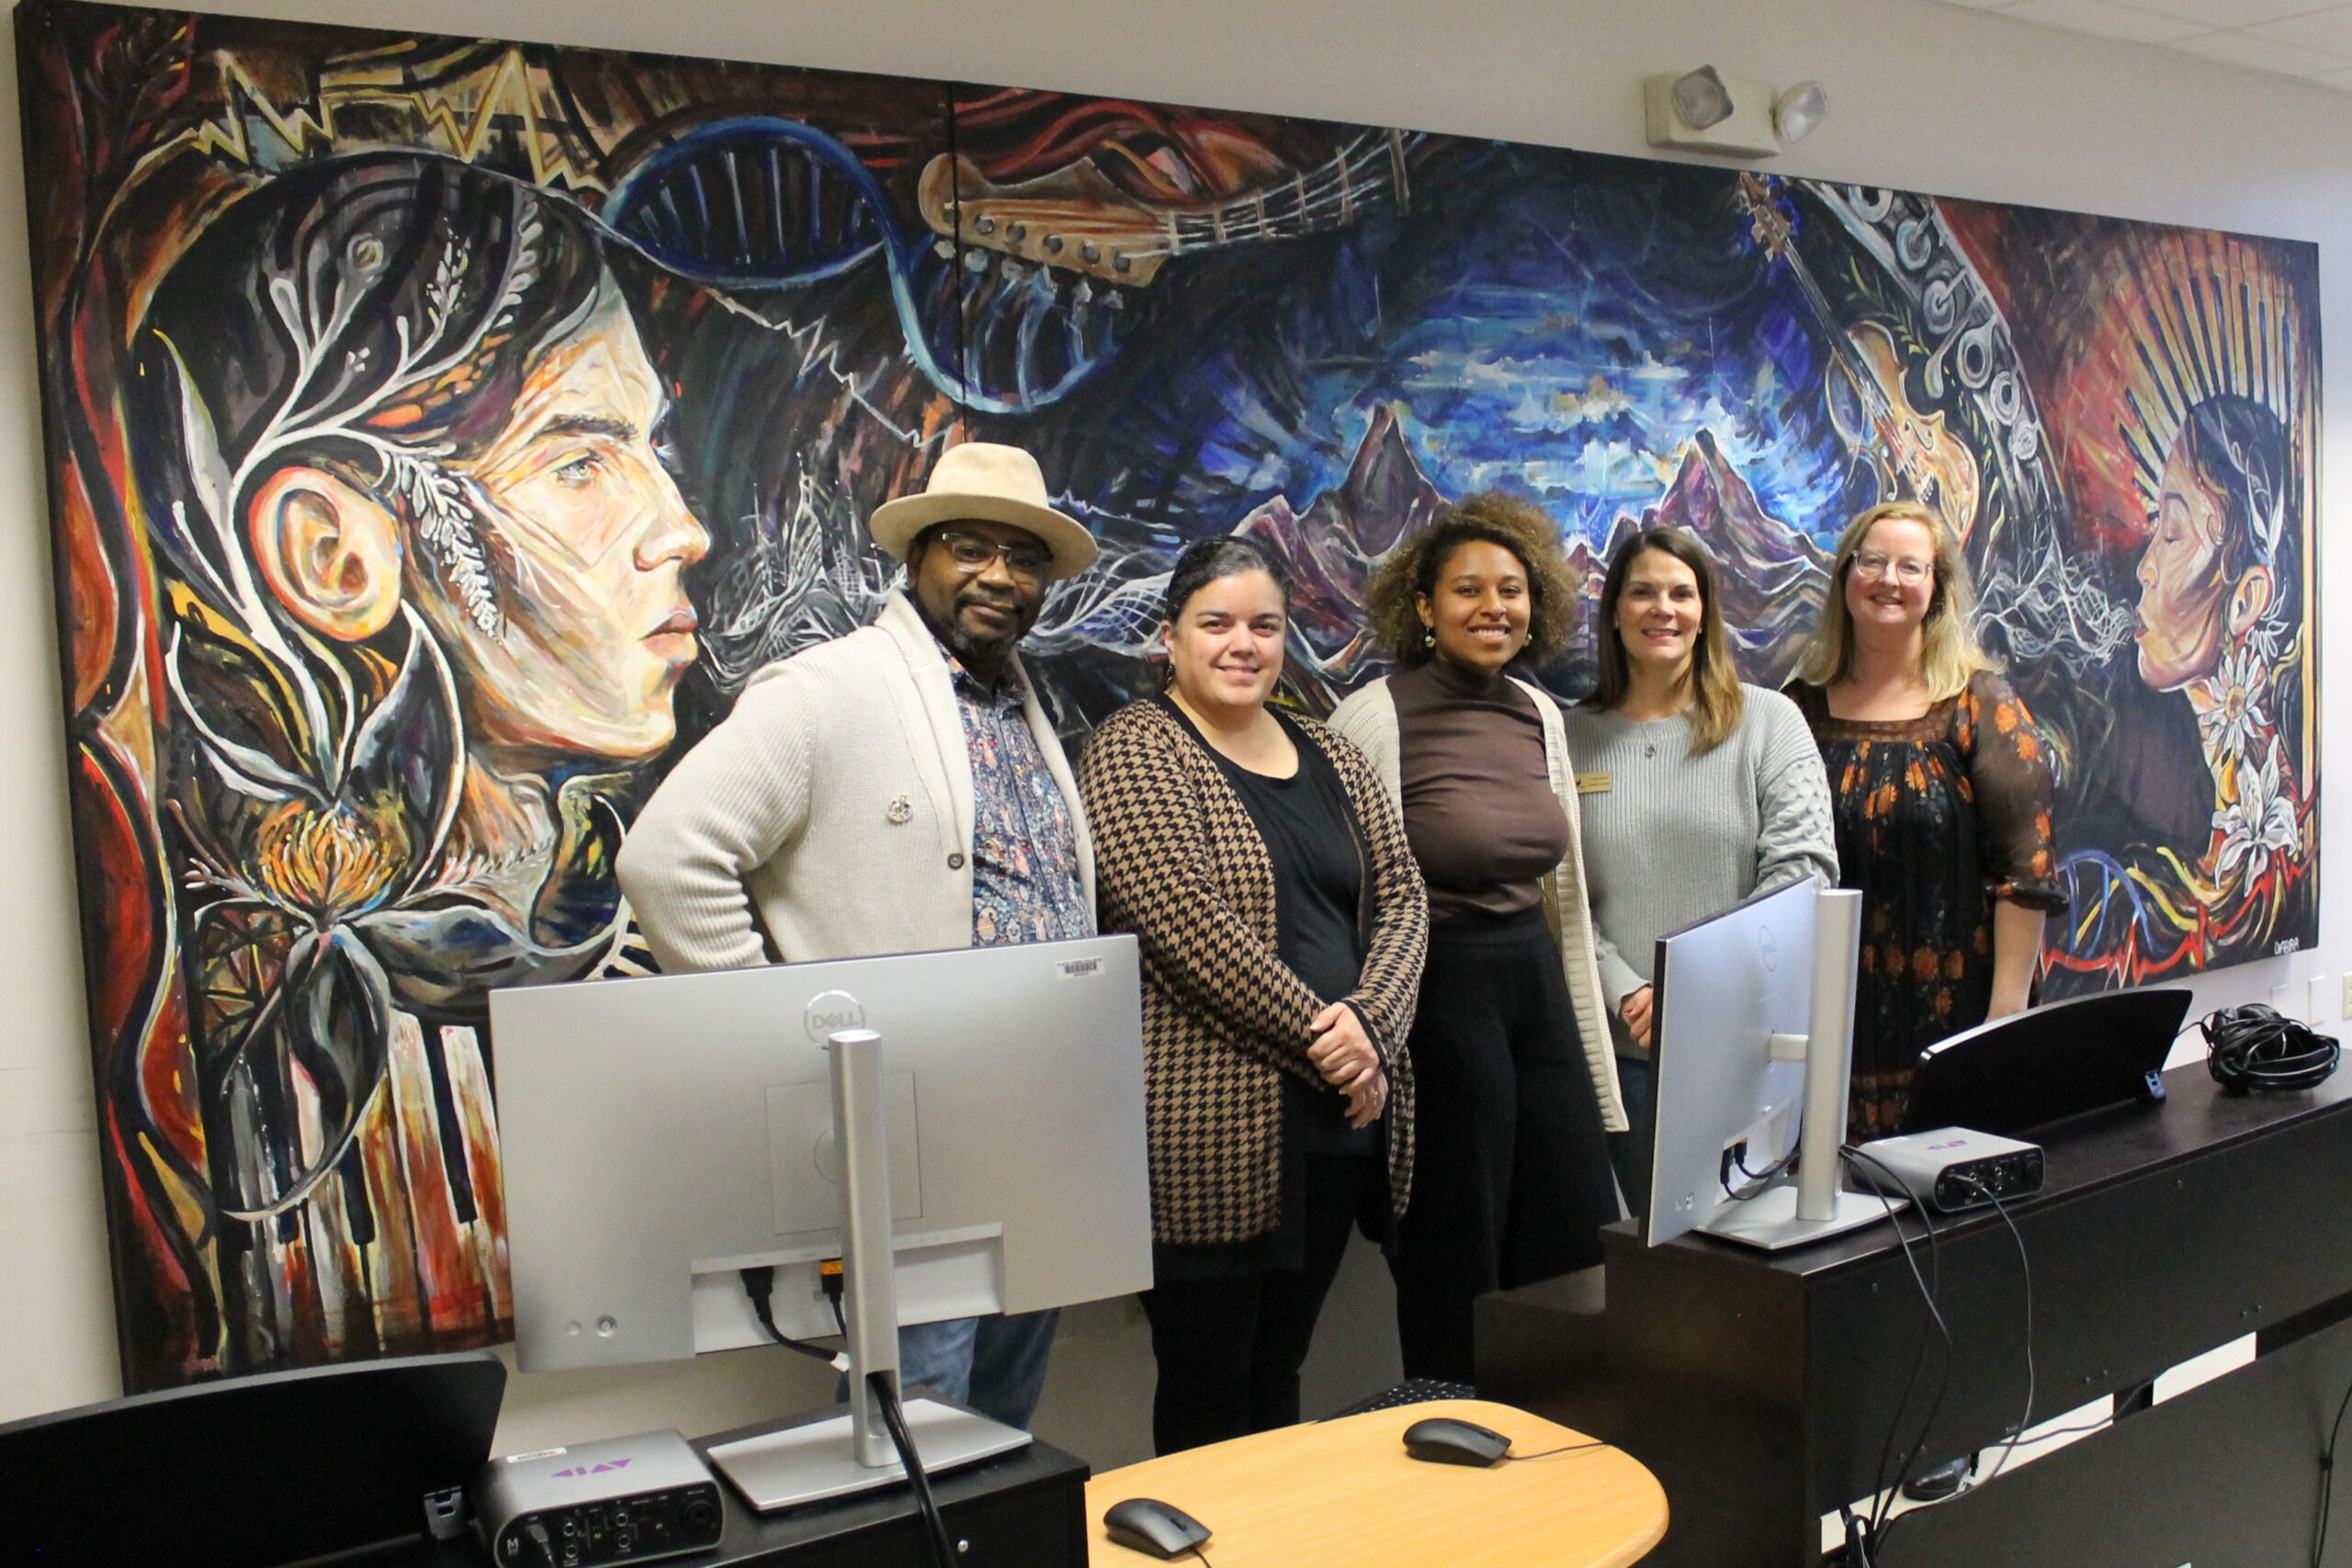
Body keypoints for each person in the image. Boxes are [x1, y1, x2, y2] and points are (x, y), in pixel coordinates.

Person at [126, 151, 713, 1359]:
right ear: (333, 554)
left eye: (654, 447)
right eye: (581, 459)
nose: (681, 527)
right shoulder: (251, 1053)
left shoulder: (625, 927)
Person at [617, 440, 1099, 1429]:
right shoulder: (829, 688)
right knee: (914, 1434)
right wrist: (779, 1035)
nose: (999, 577)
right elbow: (667, 860)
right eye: (970, 547)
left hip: (1036, 1133)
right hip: (913, 1145)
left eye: (1024, 558)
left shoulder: (1020, 707)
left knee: (1005, 1434)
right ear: (916, 558)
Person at [1079, 536, 1428, 1454]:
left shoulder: (1329, 750)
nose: (1244, 644)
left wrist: (1374, 1025)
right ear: (1170, 638)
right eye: (1217, 623)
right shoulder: (1135, 747)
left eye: (1264, 626)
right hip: (1208, 1141)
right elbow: (1180, 922)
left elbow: (1401, 895)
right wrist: (1336, 1042)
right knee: (1206, 1389)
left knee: (1280, 1374)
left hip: (1339, 1127)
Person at [1328, 491, 1625, 1382]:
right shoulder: (1372, 717)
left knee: (1569, 1229)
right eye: (1467, 590)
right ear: (1422, 607)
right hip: (1436, 993)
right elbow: (1351, 898)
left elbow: (1561, 888)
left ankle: (1561, 1433)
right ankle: (1458, 1441)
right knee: (1455, 1246)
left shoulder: (1537, 711)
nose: (1493, 607)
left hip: (1534, 982)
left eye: (1511, 589)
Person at [1566, 526, 1838, 1215]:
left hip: (1746, 1043)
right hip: (1626, 1051)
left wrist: (1696, 987)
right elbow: (1559, 893)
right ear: (1615, 611)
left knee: (1750, 1254)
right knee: (1660, 1259)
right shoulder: (1568, 737)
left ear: (1705, 610)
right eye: (1642, 592)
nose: (1664, 608)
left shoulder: (1770, 722)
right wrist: (1632, 992)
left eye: (1681, 592)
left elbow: (1804, 873)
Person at [1786, 501, 2065, 1139]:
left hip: (1957, 1014)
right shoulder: (1794, 709)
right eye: (1873, 561)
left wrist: (2003, 1022)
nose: (1890, 579)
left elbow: (2026, 873)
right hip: (1831, 1014)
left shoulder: (1980, 703)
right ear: (1846, 577)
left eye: (1911, 566)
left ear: (1935, 588)